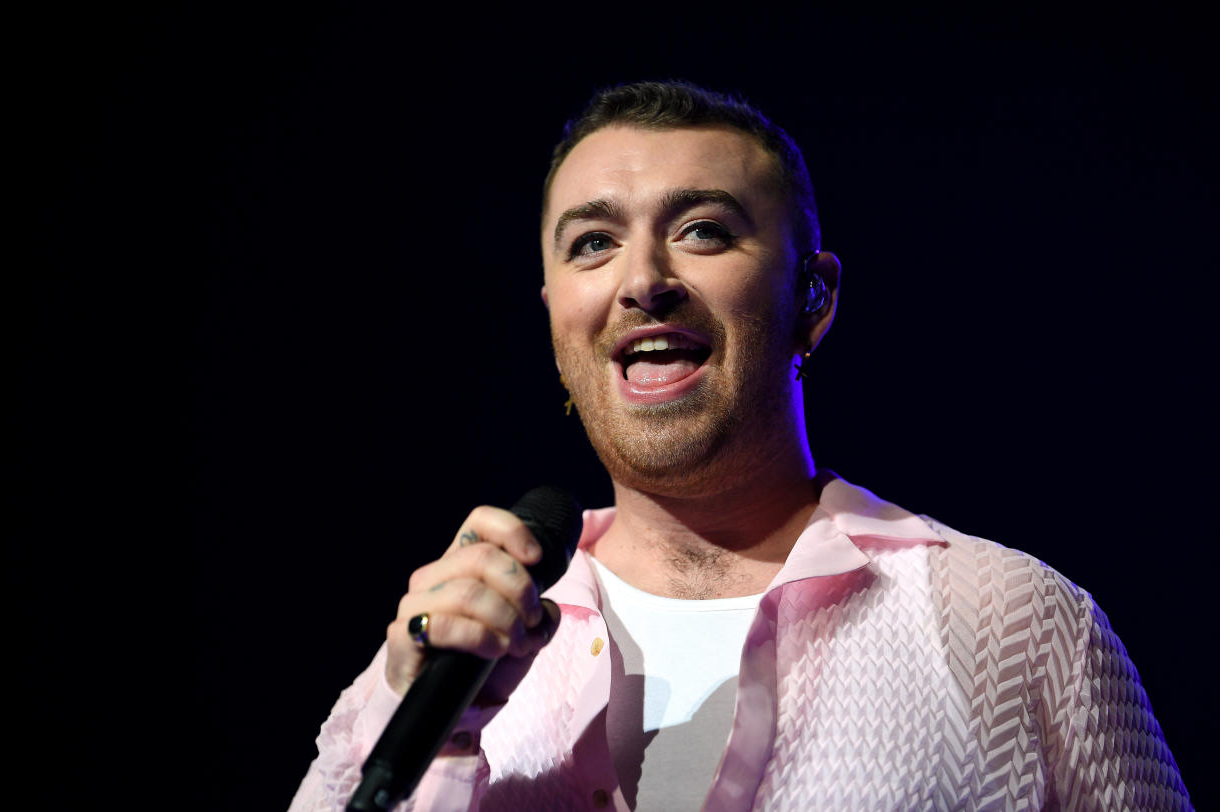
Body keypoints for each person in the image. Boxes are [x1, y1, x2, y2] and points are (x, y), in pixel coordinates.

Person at [290, 81, 1189, 811]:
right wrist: (434, 736)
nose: (643, 281)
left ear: (814, 299)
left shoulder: (1013, 622)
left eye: (704, 231)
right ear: (555, 319)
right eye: (593, 243)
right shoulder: (450, 645)